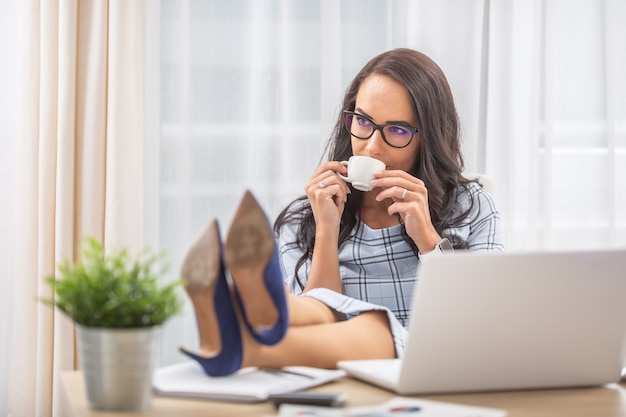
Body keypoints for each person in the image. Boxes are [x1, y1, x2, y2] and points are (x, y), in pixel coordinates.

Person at [179, 48, 504, 377]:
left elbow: (484, 322)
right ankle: (257, 322)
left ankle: (242, 321)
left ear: (429, 137)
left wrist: (427, 240)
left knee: (378, 325)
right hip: (339, 377)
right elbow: (324, 315)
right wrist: (326, 230)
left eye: (397, 130)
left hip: (432, 368)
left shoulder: (472, 207)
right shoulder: (306, 216)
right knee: (325, 312)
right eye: (363, 121)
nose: (371, 147)